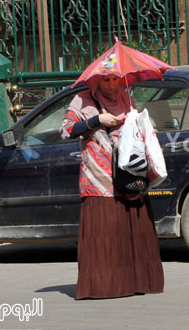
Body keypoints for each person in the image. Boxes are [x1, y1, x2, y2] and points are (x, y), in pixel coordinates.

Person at [60, 73, 164, 299]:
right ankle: (105, 285)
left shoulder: (126, 97)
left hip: (128, 173)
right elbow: (66, 130)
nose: (111, 85)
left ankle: (136, 282)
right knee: (106, 231)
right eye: (105, 80)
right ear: (96, 81)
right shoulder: (82, 100)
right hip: (99, 178)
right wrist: (97, 120)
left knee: (133, 229)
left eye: (115, 79)